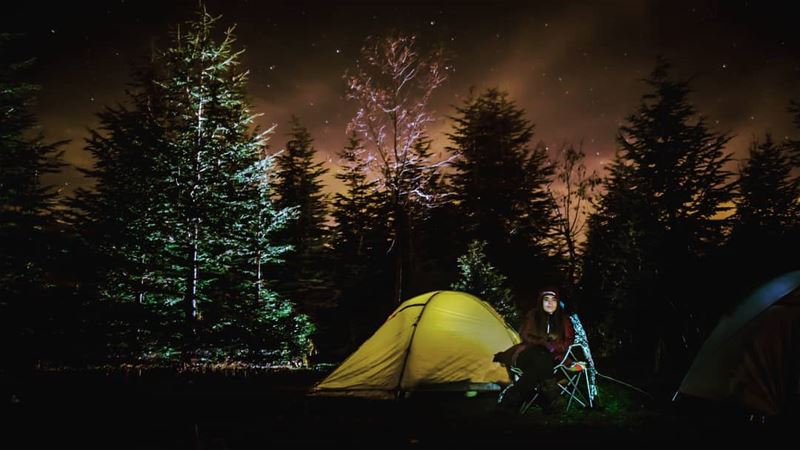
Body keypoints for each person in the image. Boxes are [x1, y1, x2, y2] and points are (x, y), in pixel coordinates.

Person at [494, 287, 575, 412]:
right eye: (546, 300)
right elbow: (525, 335)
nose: (550, 303)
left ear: (558, 302)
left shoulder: (564, 319)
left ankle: (510, 403)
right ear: (541, 302)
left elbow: (568, 341)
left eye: (553, 300)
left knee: (534, 371)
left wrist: (553, 347)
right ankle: (551, 396)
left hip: (552, 358)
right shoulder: (533, 315)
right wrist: (543, 343)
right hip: (528, 354)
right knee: (539, 353)